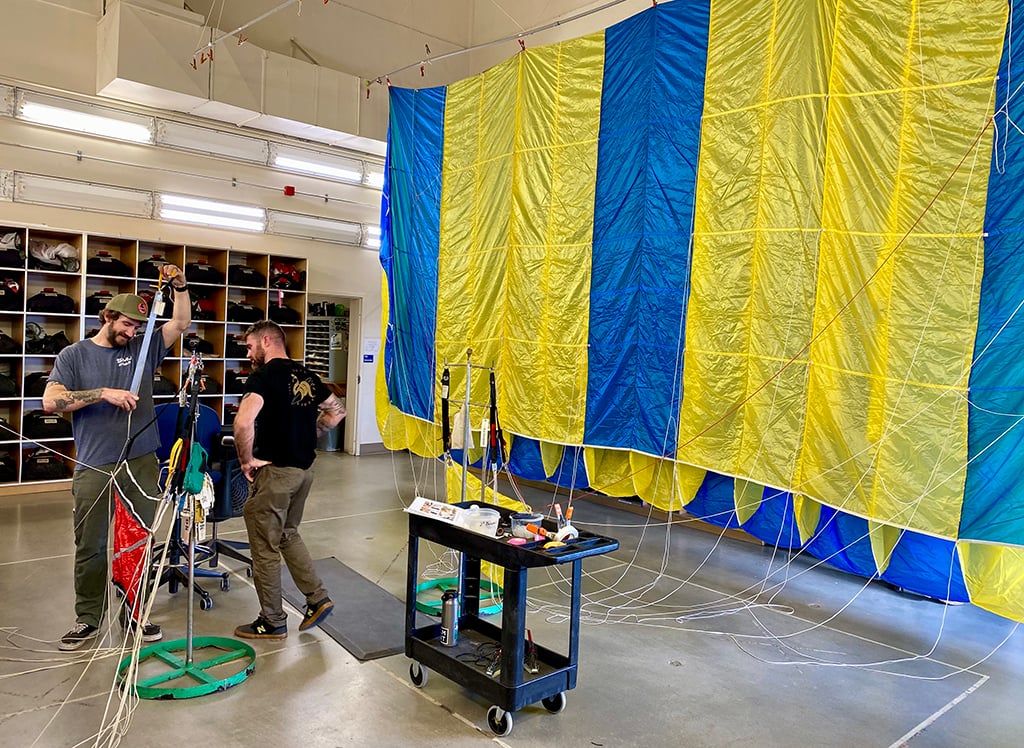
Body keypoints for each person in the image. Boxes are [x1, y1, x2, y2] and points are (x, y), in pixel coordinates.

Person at [44, 267, 191, 651]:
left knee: (138, 541)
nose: (132, 332)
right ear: (107, 318)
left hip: (140, 460)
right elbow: (50, 401)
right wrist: (102, 393)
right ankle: (87, 617)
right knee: (90, 544)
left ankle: (136, 612)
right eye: (126, 324)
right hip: (95, 464)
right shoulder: (73, 355)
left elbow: (181, 321)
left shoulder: (142, 348)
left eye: (138, 326)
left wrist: (180, 285)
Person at [232, 319, 345, 639]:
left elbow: (243, 424)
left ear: (267, 341)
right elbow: (336, 412)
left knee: (265, 547)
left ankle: (272, 620)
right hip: (303, 472)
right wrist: (310, 435)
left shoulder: (263, 377)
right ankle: (318, 598)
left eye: (251, 345)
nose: (249, 352)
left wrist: (246, 460)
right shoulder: (307, 374)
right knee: (287, 534)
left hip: (276, 474)